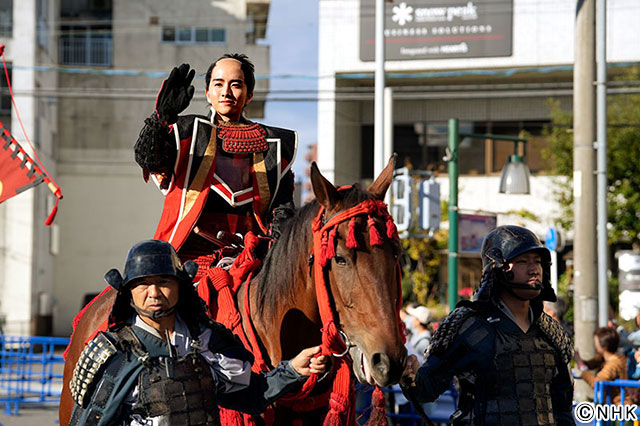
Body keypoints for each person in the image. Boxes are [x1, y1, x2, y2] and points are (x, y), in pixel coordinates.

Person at [68, 240, 327, 426]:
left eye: (163, 282)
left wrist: (292, 369)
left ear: (180, 286)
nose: (154, 293)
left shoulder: (206, 339)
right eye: (143, 284)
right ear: (129, 291)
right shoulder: (113, 353)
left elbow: (253, 395)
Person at [134, 54, 297, 280]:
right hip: (185, 258)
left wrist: (275, 254)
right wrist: (161, 119)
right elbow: (149, 159)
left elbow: (283, 210)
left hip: (251, 260)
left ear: (249, 95)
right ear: (208, 93)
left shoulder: (276, 146)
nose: (226, 92)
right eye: (218, 84)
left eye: (236, 85)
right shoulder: (186, 132)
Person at [401, 225, 574, 425]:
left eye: (537, 261)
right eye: (523, 261)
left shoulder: (550, 332)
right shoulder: (468, 326)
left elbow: (562, 405)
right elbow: (427, 388)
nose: (534, 269)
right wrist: (411, 377)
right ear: (498, 268)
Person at [574, 327, 627, 404]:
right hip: (611, 405)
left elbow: (596, 383)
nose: (595, 344)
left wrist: (580, 365)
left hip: (617, 407)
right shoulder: (606, 358)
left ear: (604, 346)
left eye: (596, 342)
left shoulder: (614, 363)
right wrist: (579, 360)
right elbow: (591, 364)